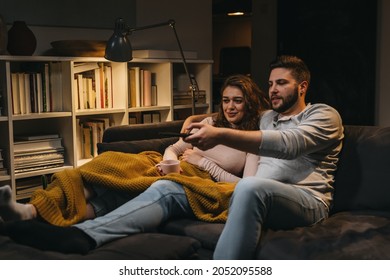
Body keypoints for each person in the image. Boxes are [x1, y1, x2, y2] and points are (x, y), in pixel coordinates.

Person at [0, 74, 270, 253]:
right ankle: (31, 211)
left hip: (197, 179)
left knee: (116, 191)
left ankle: (46, 221)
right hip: (165, 167)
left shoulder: (250, 140)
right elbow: (174, 148)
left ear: (249, 103)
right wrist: (170, 161)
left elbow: (244, 186)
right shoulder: (210, 123)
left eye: (238, 101)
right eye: (225, 100)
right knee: (106, 166)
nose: (230, 107)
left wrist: (204, 163)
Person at [184, 55, 344, 259]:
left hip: (308, 201)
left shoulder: (323, 115)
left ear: (302, 87)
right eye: (270, 84)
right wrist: (192, 119)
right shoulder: (267, 117)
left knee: (249, 186)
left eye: (281, 83)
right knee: (175, 189)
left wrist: (219, 135)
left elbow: (289, 145)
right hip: (260, 195)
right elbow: (235, 113)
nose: (273, 89)